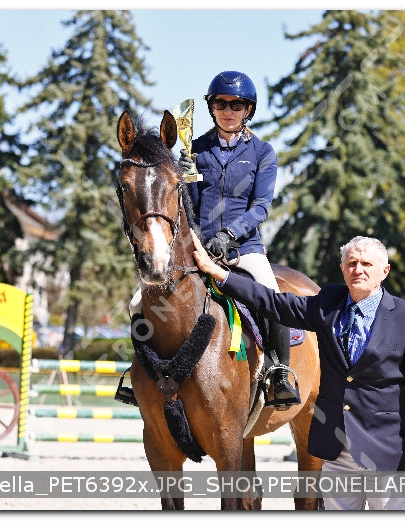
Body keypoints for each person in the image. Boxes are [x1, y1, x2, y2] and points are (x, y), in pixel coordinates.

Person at [191, 231, 405, 510]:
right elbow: (275, 304)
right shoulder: (327, 304)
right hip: (336, 448)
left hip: (386, 449)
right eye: (351, 263)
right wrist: (219, 274)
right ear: (342, 269)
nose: (357, 270)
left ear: (385, 271)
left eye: (366, 264)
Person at [128, 70, 299, 407]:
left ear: (248, 109)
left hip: (242, 247)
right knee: (137, 303)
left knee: (272, 294)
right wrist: (185, 171)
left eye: (236, 104)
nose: (228, 110)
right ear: (212, 107)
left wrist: (230, 234)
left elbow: (262, 206)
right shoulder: (195, 149)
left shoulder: (263, 152)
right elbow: (181, 203)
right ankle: (140, 375)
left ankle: (280, 371)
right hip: (198, 248)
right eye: (220, 103)